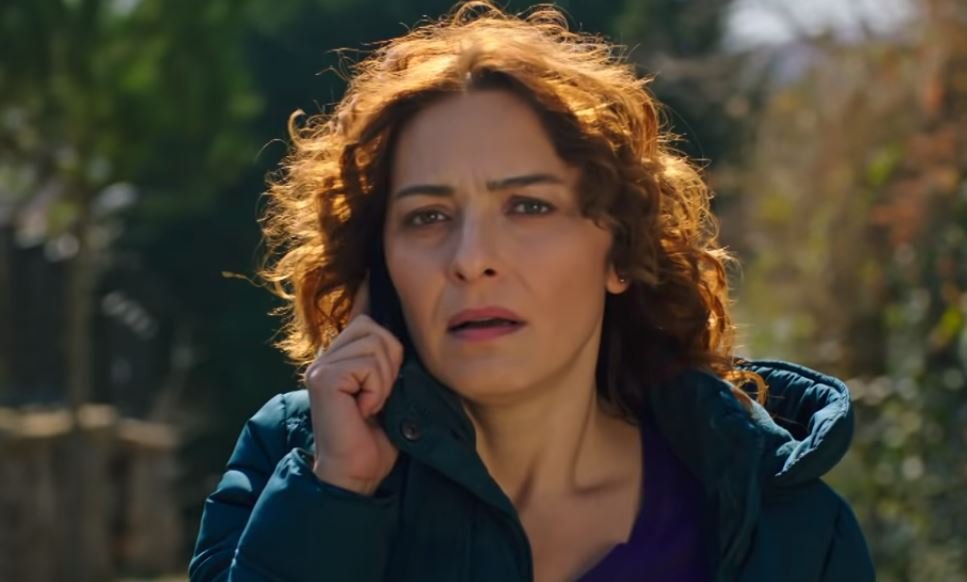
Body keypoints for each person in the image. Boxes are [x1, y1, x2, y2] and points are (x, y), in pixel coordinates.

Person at [189, 2, 875, 580]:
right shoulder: (295, 461)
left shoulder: (782, 525)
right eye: (427, 217)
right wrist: (337, 493)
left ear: (620, 252)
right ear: (379, 265)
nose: (471, 260)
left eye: (528, 207)